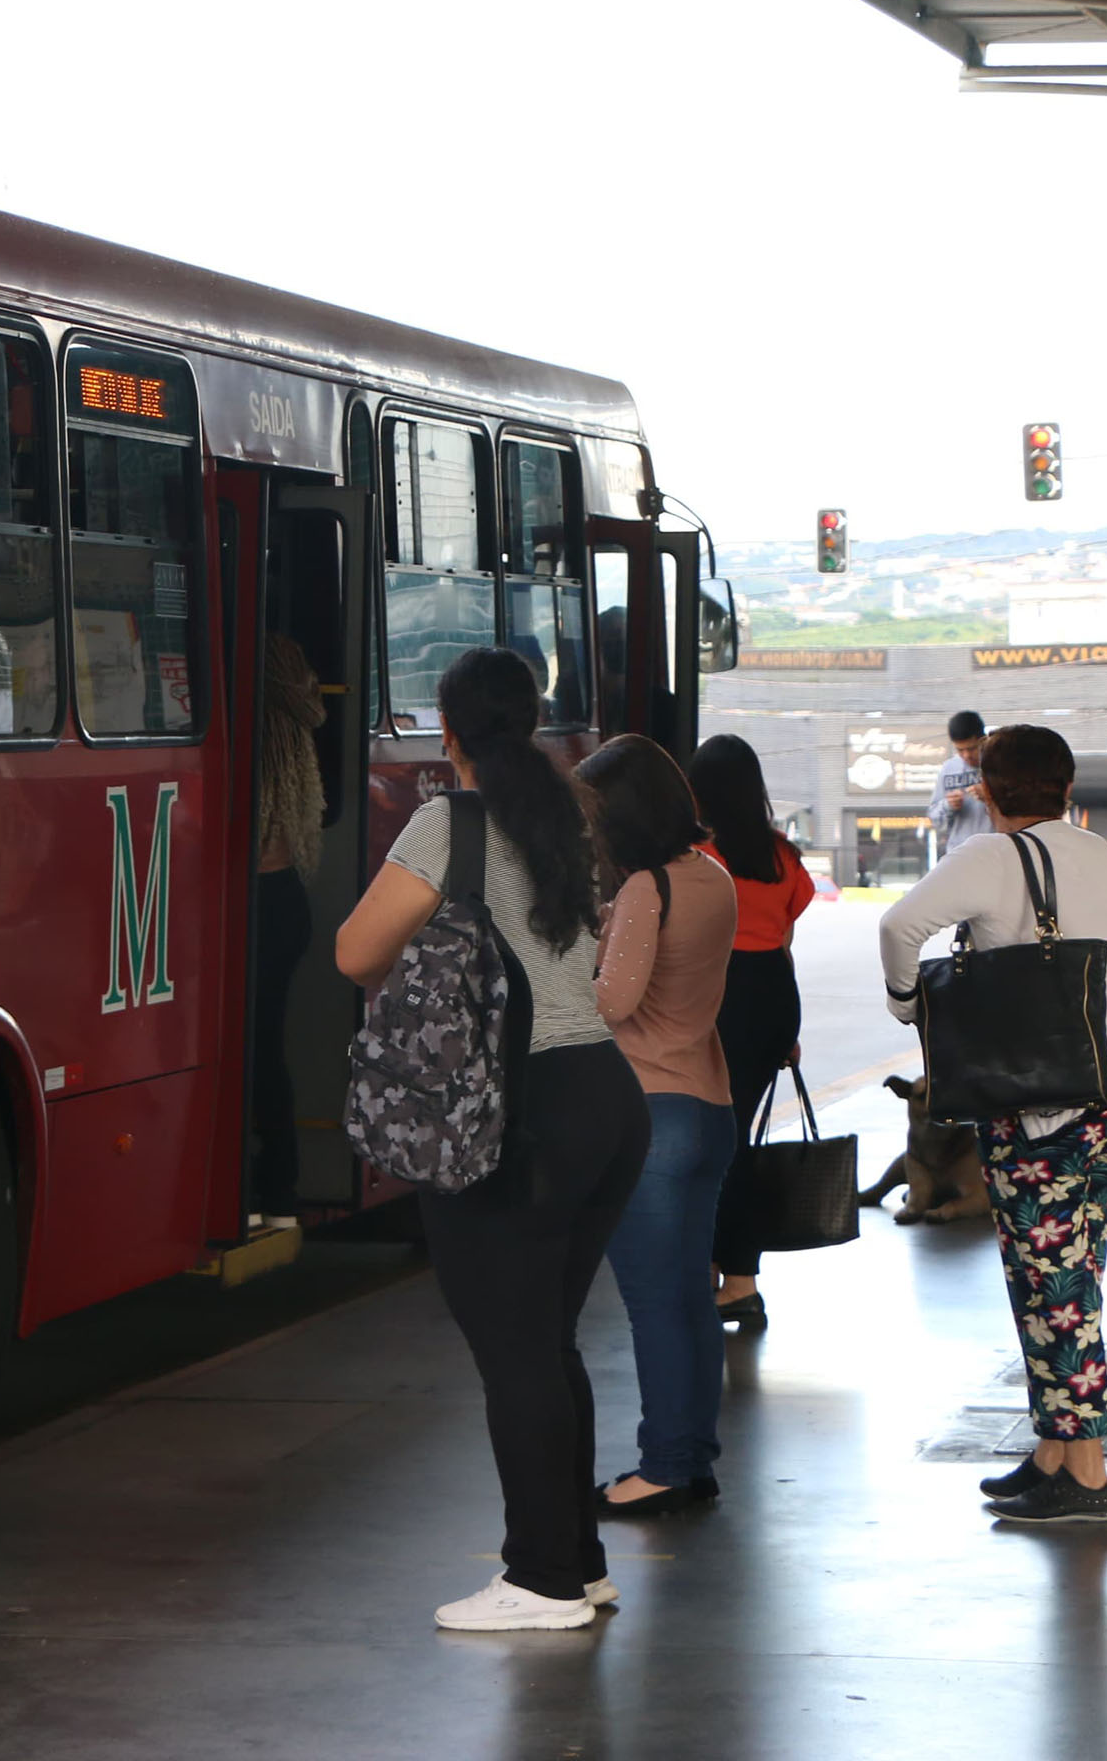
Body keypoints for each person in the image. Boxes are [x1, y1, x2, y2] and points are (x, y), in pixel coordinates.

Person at [336, 648, 645, 1630]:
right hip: (603, 1094)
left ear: (447, 725)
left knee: (515, 1352)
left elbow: (355, 950)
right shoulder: (565, 813)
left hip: (513, 1109)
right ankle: (579, 1564)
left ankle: (543, 1579)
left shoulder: (448, 820)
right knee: (545, 1343)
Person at [880, 725, 1107, 1525]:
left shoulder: (991, 856)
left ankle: (1089, 1474)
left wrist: (906, 1003)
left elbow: (898, 928)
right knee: (1066, 1284)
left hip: (1045, 1115)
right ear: (1067, 789)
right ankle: (1052, 1453)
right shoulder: (1097, 852)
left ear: (988, 790)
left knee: (1054, 1293)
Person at [579, 736, 738, 1516]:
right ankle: (691, 1454)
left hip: (650, 1110)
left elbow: (612, 1001)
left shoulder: (648, 886)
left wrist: (569, 965)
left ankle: (666, 1465)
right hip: (707, 1104)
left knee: (653, 1302)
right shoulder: (711, 876)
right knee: (690, 1298)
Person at [689, 735, 816, 1328]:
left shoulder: (699, 857)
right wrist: (785, 1028)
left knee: (718, 1143)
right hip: (771, 997)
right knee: (732, 1137)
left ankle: (732, 1279)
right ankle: (726, 1272)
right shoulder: (782, 856)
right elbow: (785, 944)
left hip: (721, 996)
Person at [247, 632, 325, 1224]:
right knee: (266, 1047)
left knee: (255, 1050)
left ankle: (271, 1190)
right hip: (287, 900)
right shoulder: (295, 722)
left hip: (261, 904)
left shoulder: (259, 731)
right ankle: (277, 1190)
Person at [926, 709, 992, 861]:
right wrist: (949, 805)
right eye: (960, 750)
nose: (966, 755)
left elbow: (1018, 810)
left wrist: (990, 797)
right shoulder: (949, 768)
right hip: (959, 855)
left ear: (983, 740)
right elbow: (935, 818)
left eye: (972, 748)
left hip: (994, 853)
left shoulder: (999, 765)